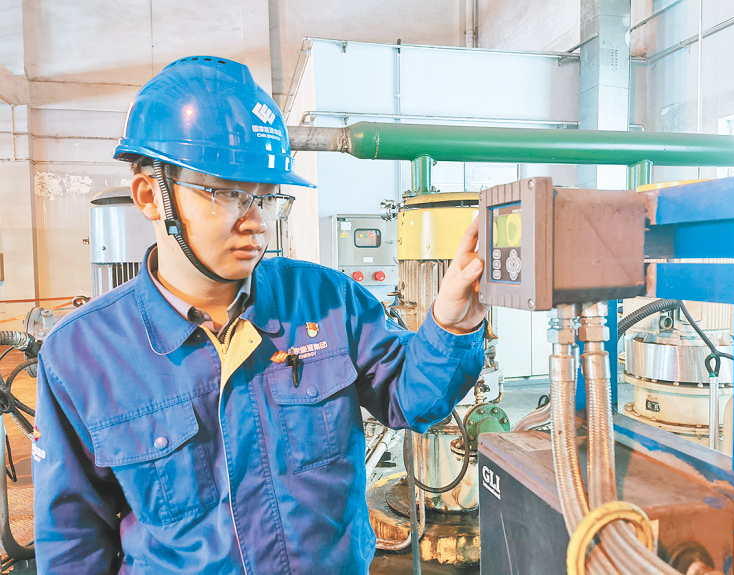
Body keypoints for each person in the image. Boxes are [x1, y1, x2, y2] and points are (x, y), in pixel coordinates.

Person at [32, 55, 487, 574]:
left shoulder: (325, 300)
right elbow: (72, 544)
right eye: (229, 194)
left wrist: (453, 322)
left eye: (266, 198)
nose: (257, 223)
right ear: (151, 197)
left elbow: (413, 399)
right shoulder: (82, 355)